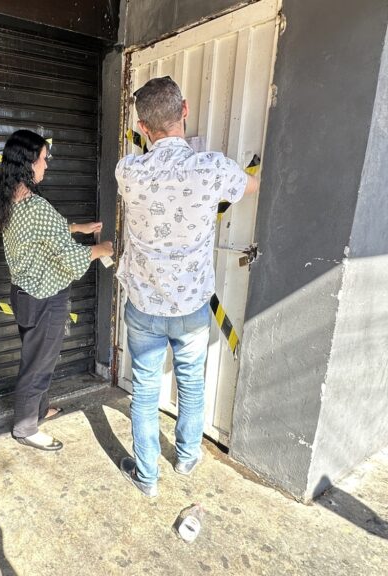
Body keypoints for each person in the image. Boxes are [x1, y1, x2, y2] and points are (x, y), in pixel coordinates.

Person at [115, 77, 260, 496]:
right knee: (191, 385)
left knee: (144, 391)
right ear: (186, 110)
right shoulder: (212, 168)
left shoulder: (129, 170)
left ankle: (147, 477)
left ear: (143, 128)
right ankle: (187, 457)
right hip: (192, 307)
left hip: (144, 304)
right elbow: (250, 186)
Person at [0, 129, 113, 451]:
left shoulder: (10, 201)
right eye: (44, 160)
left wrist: (77, 227)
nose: (46, 166)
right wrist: (103, 248)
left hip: (24, 295)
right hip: (45, 299)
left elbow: (41, 234)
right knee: (39, 365)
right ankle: (25, 428)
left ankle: (37, 410)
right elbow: (72, 254)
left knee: (38, 358)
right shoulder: (37, 207)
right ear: (27, 163)